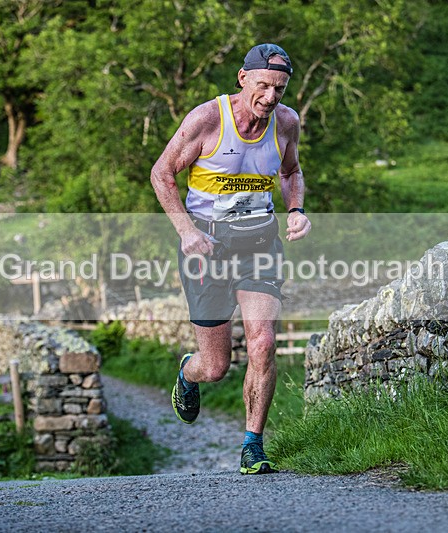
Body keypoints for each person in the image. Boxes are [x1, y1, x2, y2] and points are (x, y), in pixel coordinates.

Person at [150, 43, 311, 474]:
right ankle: (189, 373)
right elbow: (161, 173)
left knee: (263, 342)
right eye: (263, 85)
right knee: (216, 366)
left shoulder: (286, 122)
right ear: (243, 78)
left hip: (259, 244)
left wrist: (296, 210)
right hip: (207, 248)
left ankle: (252, 445)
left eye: (279, 89)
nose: (270, 97)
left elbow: (290, 171)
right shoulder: (207, 119)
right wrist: (187, 232)